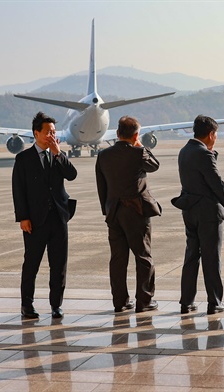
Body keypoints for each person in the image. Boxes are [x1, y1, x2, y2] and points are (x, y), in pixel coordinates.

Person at [12, 112, 77, 319]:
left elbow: (72, 175)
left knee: (59, 265)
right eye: (48, 132)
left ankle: (56, 305)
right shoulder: (23, 158)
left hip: (59, 218)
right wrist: (23, 217)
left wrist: (59, 154)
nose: (52, 135)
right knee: (31, 265)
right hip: (34, 220)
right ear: (36, 133)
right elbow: (18, 190)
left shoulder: (58, 155)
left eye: (54, 132)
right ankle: (27, 305)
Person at [95, 116, 161, 313]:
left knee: (118, 258)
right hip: (136, 211)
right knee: (143, 256)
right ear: (136, 135)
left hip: (113, 211)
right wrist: (141, 146)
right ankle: (144, 301)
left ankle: (120, 301)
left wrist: (106, 209)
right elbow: (155, 165)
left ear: (117, 134)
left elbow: (102, 186)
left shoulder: (104, 155)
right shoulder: (139, 153)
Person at [171, 115, 224, 315]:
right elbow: (216, 183)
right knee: (211, 258)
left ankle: (187, 301)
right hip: (207, 212)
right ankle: (214, 301)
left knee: (191, 256)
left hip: (189, 209)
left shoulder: (184, 150)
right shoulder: (204, 154)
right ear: (211, 134)